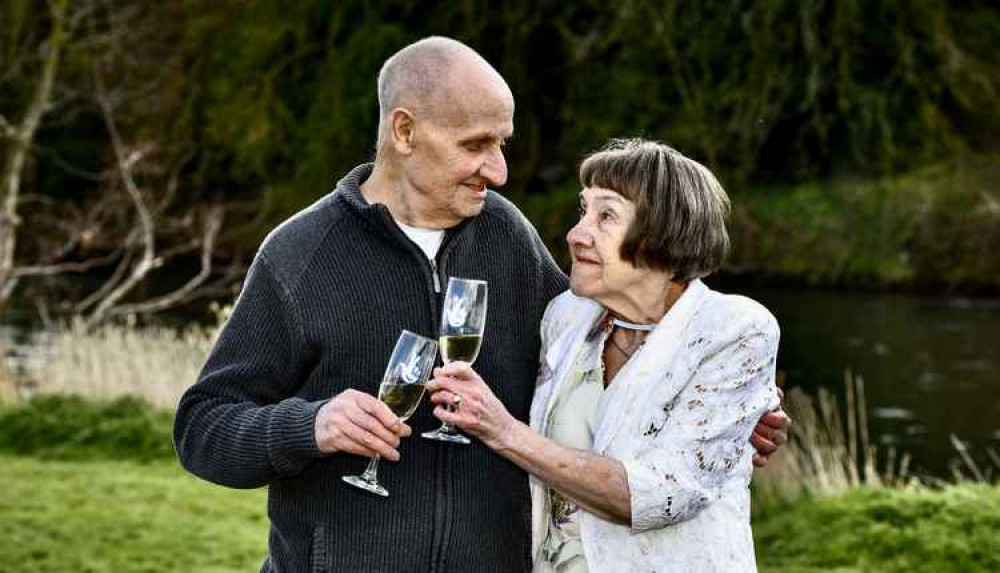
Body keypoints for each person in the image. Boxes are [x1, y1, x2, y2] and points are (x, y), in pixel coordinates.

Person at [174, 37, 788, 573]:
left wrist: (728, 416)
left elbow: (594, 352)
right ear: (406, 132)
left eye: (502, 143)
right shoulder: (300, 254)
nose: (498, 170)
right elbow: (203, 429)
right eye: (477, 145)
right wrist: (309, 425)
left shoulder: (507, 237)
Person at [428, 139, 781, 571]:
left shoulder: (733, 329)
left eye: (607, 216)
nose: (577, 234)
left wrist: (502, 431)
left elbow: (660, 496)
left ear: (661, 233)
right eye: (583, 211)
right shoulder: (567, 316)